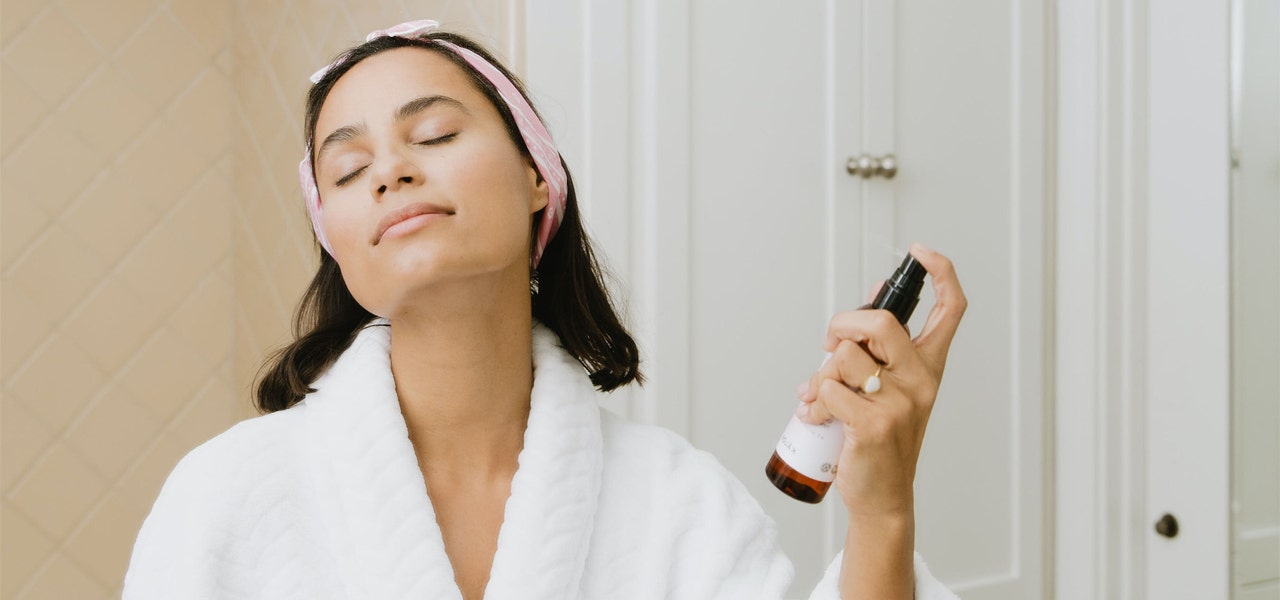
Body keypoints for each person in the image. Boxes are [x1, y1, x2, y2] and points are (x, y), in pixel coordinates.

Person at [123, 20, 967, 600]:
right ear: (339, 246)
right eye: (346, 173)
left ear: (539, 179)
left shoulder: (681, 504)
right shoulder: (224, 498)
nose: (388, 172)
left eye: (437, 135)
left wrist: (883, 511)